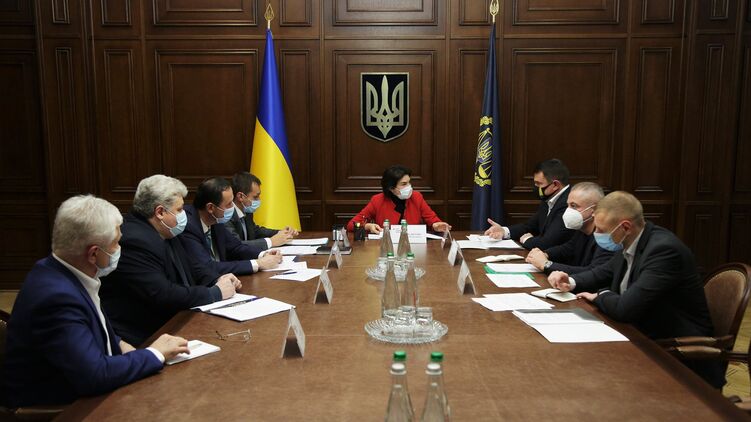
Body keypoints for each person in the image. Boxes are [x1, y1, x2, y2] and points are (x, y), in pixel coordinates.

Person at [2, 195, 190, 407]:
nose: (119, 249)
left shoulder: (60, 268)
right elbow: (94, 376)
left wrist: (123, 346)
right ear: (93, 253)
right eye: (116, 243)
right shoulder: (56, 299)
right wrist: (154, 354)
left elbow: (95, 329)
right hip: (61, 408)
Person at [547, 191, 722, 387]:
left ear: (625, 227)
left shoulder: (663, 251)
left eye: (602, 230)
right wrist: (570, 281)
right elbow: (604, 271)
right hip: (641, 336)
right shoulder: (631, 241)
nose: (597, 234)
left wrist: (600, 295)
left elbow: (625, 309)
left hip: (676, 357)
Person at [101, 175, 242, 346]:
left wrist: (217, 279)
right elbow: (163, 294)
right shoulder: (135, 240)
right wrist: (215, 293)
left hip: (175, 322)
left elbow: (192, 267)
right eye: (180, 209)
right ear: (160, 212)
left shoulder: (166, 230)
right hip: (144, 335)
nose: (184, 214)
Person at [180, 177, 282, 275]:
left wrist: (263, 254)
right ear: (210, 208)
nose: (233, 207)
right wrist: (257, 264)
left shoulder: (215, 220)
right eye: (229, 204)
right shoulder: (189, 226)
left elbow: (235, 247)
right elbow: (207, 267)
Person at [485, 158, 575, 250]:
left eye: (539, 184)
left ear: (555, 185)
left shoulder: (569, 204)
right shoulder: (549, 198)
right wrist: (504, 231)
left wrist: (526, 240)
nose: (536, 188)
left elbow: (548, 242)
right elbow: (529, 226)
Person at [525, 182, 613, 274]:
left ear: (594, 210)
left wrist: (547, 264)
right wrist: (544, 254)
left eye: (574, 206)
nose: (568, 210)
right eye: (568, 205)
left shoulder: (605, 238)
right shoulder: (581, 229)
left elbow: (592, 272)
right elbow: (568, 249)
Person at [346, 165, 451, 233]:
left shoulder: (417, 197)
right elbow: (351, 225)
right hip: (386, 248)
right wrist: (367, 226)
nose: (409, 187)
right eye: (404, 184)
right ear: (391, 188)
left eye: (409, 182)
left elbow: (433, 220)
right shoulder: (377, 200)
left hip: (412, 247)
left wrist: (436, 225)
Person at [226, 171, 298, 250]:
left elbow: (255, 231)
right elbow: (237, 245)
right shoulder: (226, 217)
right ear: (240, 197)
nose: (259, 200)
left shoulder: (246, 211)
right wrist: (271, 242)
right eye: (255, 197)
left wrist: (281, 233)